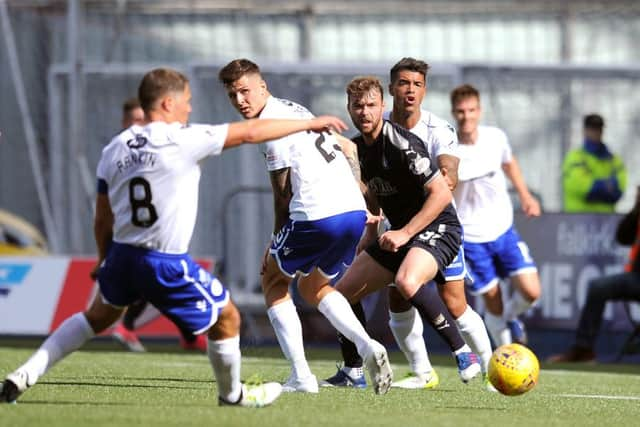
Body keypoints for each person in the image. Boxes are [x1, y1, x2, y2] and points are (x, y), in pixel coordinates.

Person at [0, 67, 349, 406]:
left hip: (122, 255)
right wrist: (310, 121)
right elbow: (251, 132)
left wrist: (103, 258)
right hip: (163, 261)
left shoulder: (115, 148)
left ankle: (24, 374)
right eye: (187, 101)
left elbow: (102, 217)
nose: (190, 108)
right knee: (228, 318)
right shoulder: (183, 138)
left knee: (95, 318)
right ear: (167, 103)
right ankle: (233, 396)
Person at [219, 59, 393, 395]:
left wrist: (273, 243)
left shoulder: (270, 126)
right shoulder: (295, 109)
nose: (240, 100)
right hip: (352, 213)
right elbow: (347, 146)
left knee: (273, 280)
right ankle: (369, 346)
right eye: (233, 95)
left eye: (245, 91)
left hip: (317, 212)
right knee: (315, 288)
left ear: (262, 87)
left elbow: (283, 196)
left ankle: (301, 377)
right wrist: (363, 196)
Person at [334, 76, 481, 385]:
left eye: (371, 105)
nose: (364, 112)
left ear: (382, 106)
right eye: (357, 106)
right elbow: (374, 194)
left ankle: (462, 352)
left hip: (439, 225)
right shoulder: (358, 147)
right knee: (340, 297)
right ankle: (353, 370)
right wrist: (370, 234)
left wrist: (403, 233)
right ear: (349, 109)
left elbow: (441, 195)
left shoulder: (401, 142)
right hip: (400, 232)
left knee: (407, 281)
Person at [382, 58, 493, 390]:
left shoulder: (437, 129)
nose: (410, 90)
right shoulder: (381, 125)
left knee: (456, 302)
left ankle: (491, 370)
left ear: (425, 90)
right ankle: (422, 371)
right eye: (403, 83)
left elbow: (449, 174)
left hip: (437, 227)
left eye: (417, 84)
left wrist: (444, 177)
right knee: (399, 298)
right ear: (391, 89)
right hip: (396, 225)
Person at [111, 97, 208, 353]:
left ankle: (182, 333)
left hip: (155, 235)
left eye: (141, 119)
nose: (139, 125)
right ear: (124, 122)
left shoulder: (135, 150)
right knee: (156, 283)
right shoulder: (118, 152)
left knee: (149, 286)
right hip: (133, 239)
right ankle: (189, 333)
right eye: (133, 120)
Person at [449, 83, 541, 348]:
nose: (466, 116)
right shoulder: (449, 147)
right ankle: (505, 353)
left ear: (479, 110)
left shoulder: (495, 138)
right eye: (461, 111)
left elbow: (509, 162)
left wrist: (525, 195)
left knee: (531, 291)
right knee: (493, 297)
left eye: (471, 110)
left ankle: (512, 317)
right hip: (471, 237)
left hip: (503, 229)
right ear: (454, 113)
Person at [548, 185, 640, 363]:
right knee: (598, 287)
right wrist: (637, 209)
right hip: (637, 279)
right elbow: (623, 238)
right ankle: (584, 349)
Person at [562, 114, 626, 213]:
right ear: (584, 130)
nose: (596, 132)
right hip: (578, 222)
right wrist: (607, 186)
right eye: (592, 128)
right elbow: (580, 188)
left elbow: (619, 190)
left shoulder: (614, 160)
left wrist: (594, 186)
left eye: (599, 129)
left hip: (607, 222)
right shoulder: (575, 157)